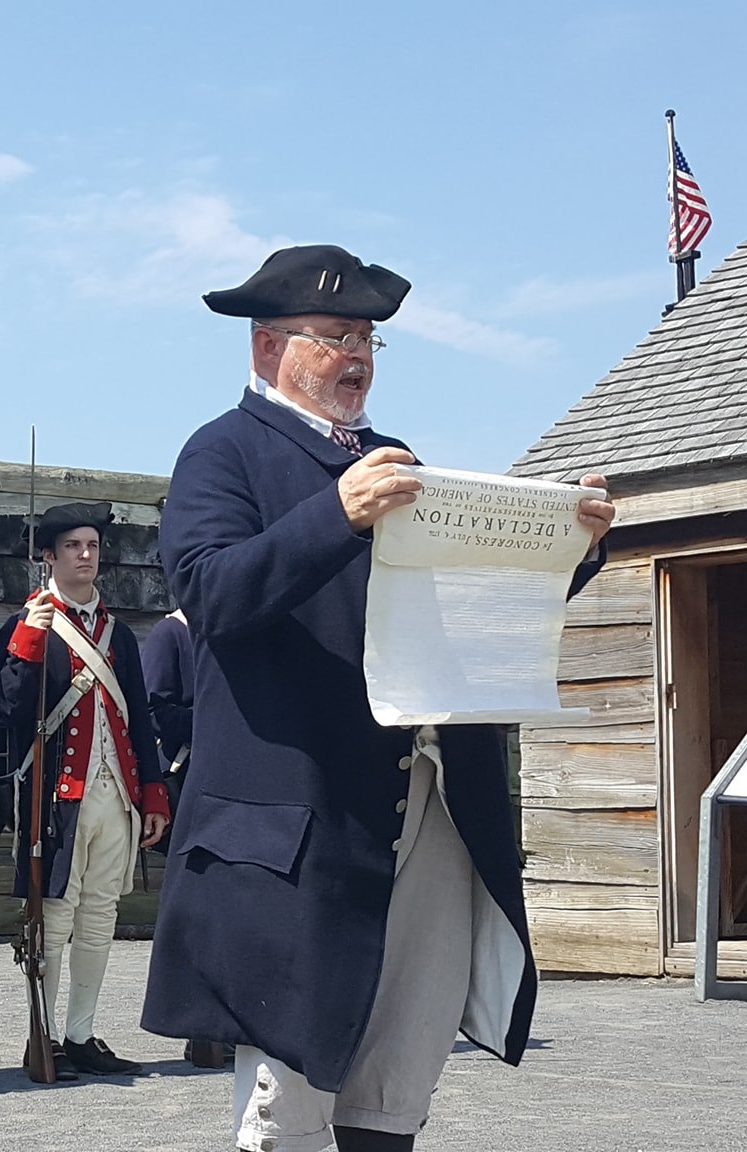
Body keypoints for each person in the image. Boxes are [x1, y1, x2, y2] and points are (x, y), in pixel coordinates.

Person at [141, 245, 616, 1152]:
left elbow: (472, 610)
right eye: (333, 336)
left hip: (425, 806)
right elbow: (210, 594)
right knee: (292, 1101)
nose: (355, 355)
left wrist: (571, 549)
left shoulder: (398, 462)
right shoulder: (223, 451)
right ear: (267, 346)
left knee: (395, 1087)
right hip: (306, 820)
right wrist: (336, 515)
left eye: (366, 338)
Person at [0, 501, 170, 1077]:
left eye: (92, 546)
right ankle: (42, 1035)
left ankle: (81, 1034)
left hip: (113, 792)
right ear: (49, 556)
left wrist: (154, 792)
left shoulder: (119, 634)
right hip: (56, 793)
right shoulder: (24, 625)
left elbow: (139, 719)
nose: (85, 556)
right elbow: (12, 712)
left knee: (100, 914)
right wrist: (26, 643)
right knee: (56, 912)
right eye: (72, 546)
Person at [139, 606, 229, 1070]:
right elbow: (155, 708)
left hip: (235, 781)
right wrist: (223, 720)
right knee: (198, 907)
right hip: (190, 781)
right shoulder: (171, 634)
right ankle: (201, 1027)